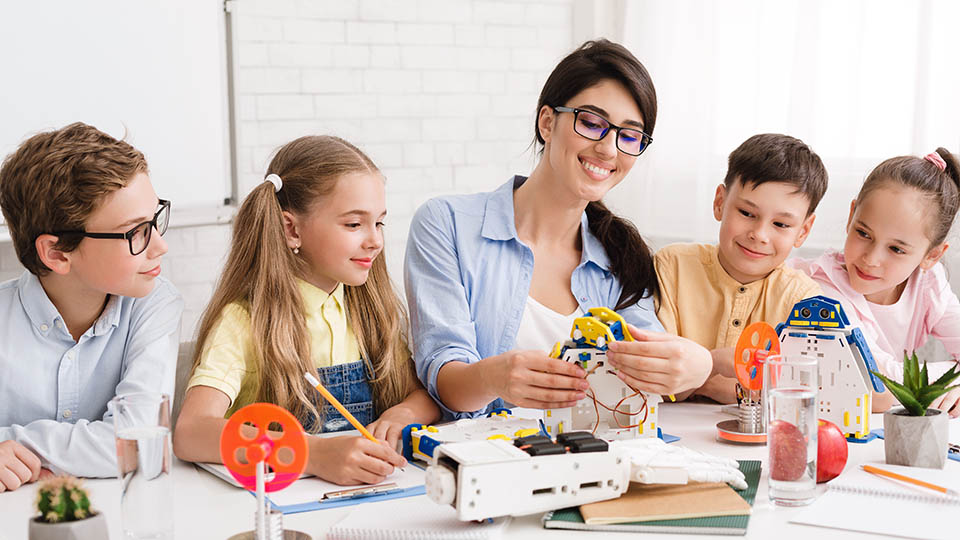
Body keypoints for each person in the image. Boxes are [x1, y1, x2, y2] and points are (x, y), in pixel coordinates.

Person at [404, 39, 713, 420]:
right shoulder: (446, 224)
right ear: (547, 122)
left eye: (629, 136)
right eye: (592, 123)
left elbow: (643, 383)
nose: (609, 149)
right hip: (486, 462)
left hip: (596, 462)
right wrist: (493, 378)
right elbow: (444, 378)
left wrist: (697, 367)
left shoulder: (622, 256)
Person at [173, 135, 439, 486]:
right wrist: (311, 454)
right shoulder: (243, 321)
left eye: (379, 223)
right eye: (353, 224)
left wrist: (404, 413)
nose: (375, 240)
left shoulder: (371, 311)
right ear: (291, 229)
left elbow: (423, 396)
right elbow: (191, 432)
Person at [0, 122, 182, 491]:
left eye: (154, 220)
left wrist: (14, 442)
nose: (159, 245)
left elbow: (139, 441)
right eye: (135, 232)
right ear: (56, 253)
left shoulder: (155, 304)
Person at [655, 134, 827, 404]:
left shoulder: (803, 298)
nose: (759, 235)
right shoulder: (672, 266)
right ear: (720, 202)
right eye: (747, 213)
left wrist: (698, 375)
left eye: (781, 225)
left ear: (803, 231)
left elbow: (802, 394)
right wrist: (713, 365)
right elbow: (655, 380)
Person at [791, 148, 960, 415]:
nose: (871, 258)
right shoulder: (821, 288)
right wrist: (950, 380)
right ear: (851, 216)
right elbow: (879, 379)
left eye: (896, 249)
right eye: (863, 233)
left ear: (932, 255)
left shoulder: (928, 283)